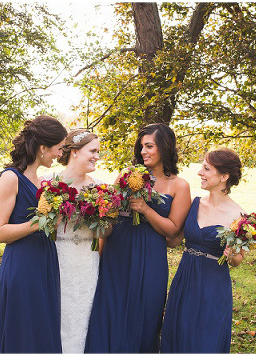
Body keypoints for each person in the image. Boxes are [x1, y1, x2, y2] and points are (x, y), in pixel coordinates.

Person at [85, 123, 191, 353]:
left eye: (149, 146)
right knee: (109, 313)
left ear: (164, 147)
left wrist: (146, 210)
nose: (143, 151)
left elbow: (173, 231)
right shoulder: (125, 175)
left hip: (150, 258)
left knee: (145, 315)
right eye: (141, 146)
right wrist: (101, 255)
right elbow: (108, 217)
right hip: (117, 254)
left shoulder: (179, 186)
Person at [0, 115, 68, 353]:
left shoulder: (42, 181)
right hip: (22, 264)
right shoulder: (11, 178)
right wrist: (41, 222)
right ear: (43, 148)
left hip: (45, 259)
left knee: (42, 326)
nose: (60, 154)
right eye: (59, 148)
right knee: (23, 329)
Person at [161, 148, 247, 353]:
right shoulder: (194, 204)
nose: (200, 172)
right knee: (177, 333)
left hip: (213, 286)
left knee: (204, 339)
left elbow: (238, 260)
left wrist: (233, 255)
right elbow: (173, 239)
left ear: (224, 176)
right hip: (185, 279)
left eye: (207, 168)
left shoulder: (240, 217)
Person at [54, 129, 110, 353]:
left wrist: (101, 217)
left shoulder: (100, 188)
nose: (97, 156)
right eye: (93, 151)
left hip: (87, 260)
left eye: (98, 151)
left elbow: (106, 233)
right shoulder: (48, 182)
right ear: (75, 152)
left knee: (82, 316)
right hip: (55, 256)